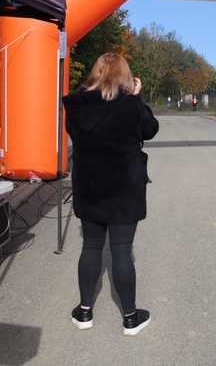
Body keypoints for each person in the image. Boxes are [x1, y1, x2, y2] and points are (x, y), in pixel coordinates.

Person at [62, 52, 159, 335]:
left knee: (91, 246)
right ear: (126, 76)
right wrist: (136, 97)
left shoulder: (77, 106)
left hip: (89, 186)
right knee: (120, 250)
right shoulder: (131, 105)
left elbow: (75, 135)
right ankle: (130, 318)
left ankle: (84, 312)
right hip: (124, 188)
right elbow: (150, 130)